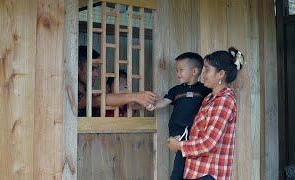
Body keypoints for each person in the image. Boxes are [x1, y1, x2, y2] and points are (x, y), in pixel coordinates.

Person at [167, 47, 244, 180]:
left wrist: (180, 145)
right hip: (195, 171)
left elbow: (209, 143)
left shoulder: (224, 100)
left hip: (208, 174)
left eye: (207, 69)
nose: (203, 74)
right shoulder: (209, 98)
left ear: (220, 74)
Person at [147, 52, 211, 180]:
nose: (178, 73)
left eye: (181, 70)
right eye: (177, 70)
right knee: (180, 162)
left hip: (195, 134)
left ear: (194, 71)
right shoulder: (176, 90)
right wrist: (154, 105)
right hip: (178, 132)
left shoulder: (204, 90)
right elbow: (165, 101)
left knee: (186, 165)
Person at [78, 46, 157, 117]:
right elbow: (97, 100)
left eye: (97, 69)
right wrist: (135, 96)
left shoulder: (92, 93)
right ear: (77, 68)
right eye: (92, 69)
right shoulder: (73, 95)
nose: (96, 74)